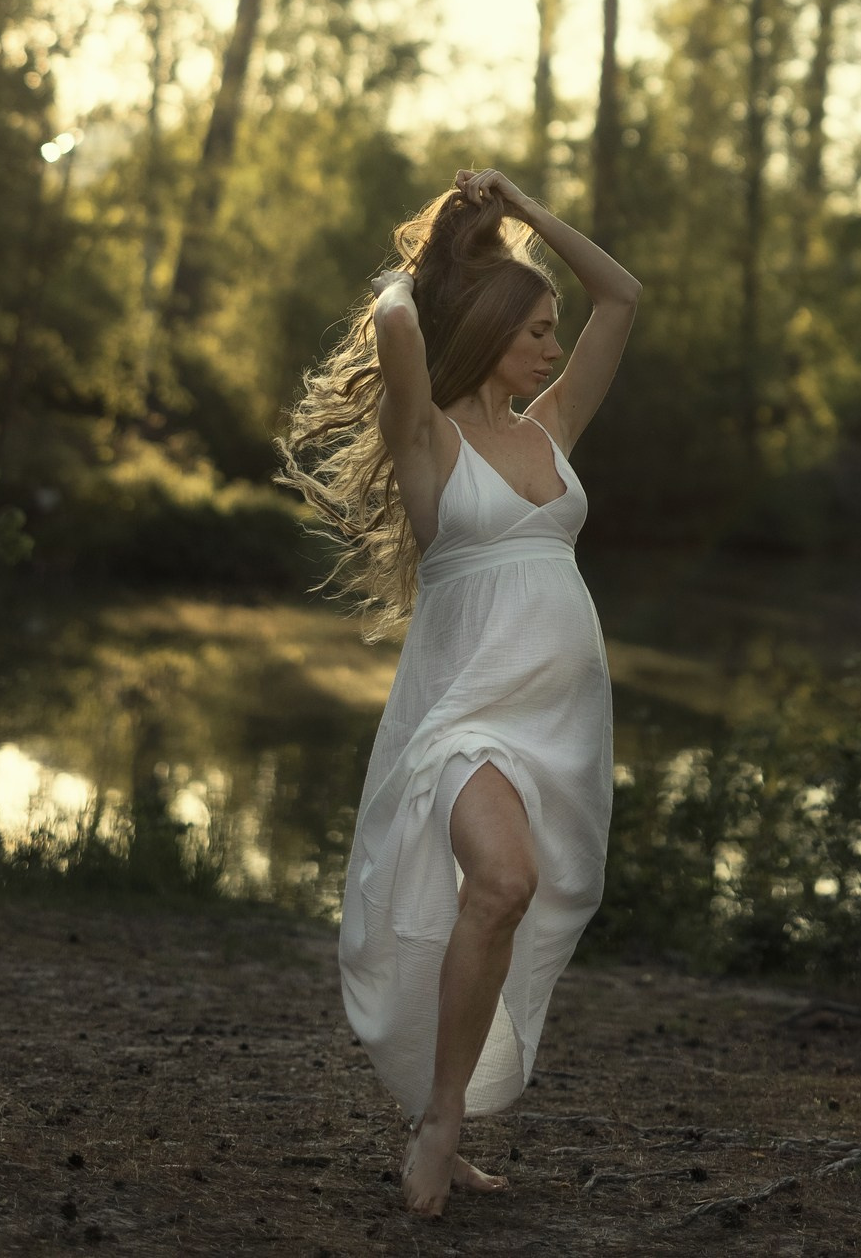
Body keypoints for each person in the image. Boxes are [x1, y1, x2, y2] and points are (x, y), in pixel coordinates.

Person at [280, 165, 640, 1219]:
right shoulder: (429, 437)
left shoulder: (550, 426)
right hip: (465, 709)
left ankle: (444, 1116)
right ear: (484, 329)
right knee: (499, 878)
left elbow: (621, 296)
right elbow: (397, 322)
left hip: (560, 719)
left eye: (549, 327)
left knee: (510, 897)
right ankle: (441, 1118)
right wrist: (434, 254)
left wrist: (524, 209)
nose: (550, 342)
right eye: (533, 325)